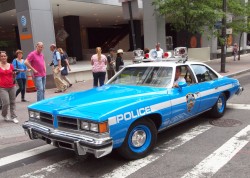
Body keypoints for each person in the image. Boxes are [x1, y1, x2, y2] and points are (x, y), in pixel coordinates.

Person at [0, 51, 18, 123]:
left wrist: (14, 74)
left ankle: (13, 116)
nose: (3, 57)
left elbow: (14, 76)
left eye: (4, 56)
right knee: (6, 102)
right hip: (2, 87)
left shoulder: (11, 65)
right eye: (2, 56)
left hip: (12, 86)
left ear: (7, 57)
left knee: (13, 102)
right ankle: (4, 114)